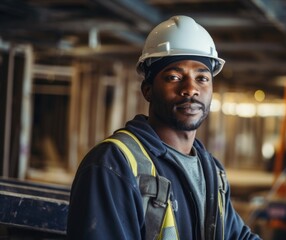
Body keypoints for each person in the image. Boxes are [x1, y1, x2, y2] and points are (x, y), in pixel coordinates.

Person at [67, 15, 261, 240]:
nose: (190, 89)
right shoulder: (114, 164)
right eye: (174, 77)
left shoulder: (211, 172)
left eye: (202, 78)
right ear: (147, 90)